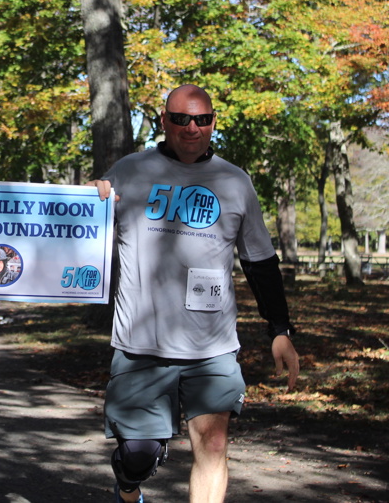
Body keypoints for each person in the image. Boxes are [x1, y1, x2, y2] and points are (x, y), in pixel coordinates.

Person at [88, 85, 299, 503]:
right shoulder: (130, 171)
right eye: (181, 119)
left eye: (201, 120)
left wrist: (279, 329)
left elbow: (259, 261)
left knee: (214, 445)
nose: (191, 128)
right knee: (137, 455)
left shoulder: (234, 181)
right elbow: (78, 233)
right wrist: (89, 198)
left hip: (212, 346)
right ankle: (129, 486)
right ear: (164, 121)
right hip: (141, 345)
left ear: (213, 122)